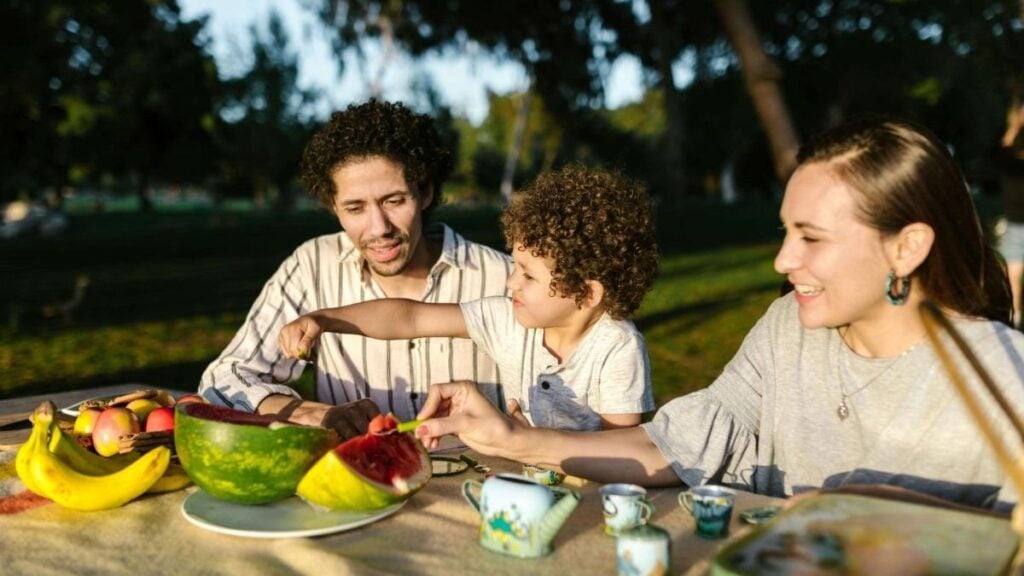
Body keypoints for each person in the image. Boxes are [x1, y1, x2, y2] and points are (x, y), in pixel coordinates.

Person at [413, 118, 1024, 511]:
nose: (784, 259)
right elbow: (680, 443)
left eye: (811, 238)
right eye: (785, 232)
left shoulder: (1004, 375)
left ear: (907, 247)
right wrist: (513, 439)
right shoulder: (788, 329)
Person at [198, 100, 513, 437]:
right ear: (333, 207)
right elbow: (223, 381)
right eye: (355, 208)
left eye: (393, 201)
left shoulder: (502, 278)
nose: (379, 228)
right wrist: (315, 414)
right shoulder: (312, 267)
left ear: (425, 193)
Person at [279, 166, 660, 431]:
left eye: (527, 274)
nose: (511, 281)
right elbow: (408, 318)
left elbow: (621, 447)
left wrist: (528, 443)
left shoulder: (617, 347)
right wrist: (325, 320)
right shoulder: (508, 319)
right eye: (514, 266)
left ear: (588, 293)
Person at [999, 103, 1024, 328]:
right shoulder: (1009, 164)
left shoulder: (1008, 164)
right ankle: (1015, 319)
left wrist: (1016, 123)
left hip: (1015, 226)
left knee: (1013, 277)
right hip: (1015, 226)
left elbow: (1005, 145)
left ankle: (1015, 319)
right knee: (1013, 277)